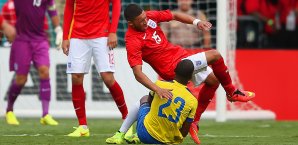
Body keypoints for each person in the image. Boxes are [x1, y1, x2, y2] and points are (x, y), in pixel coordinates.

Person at [107, 4, 255, 144]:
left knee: (213, 81)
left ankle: (121, 133)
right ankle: (232, 92)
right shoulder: (132, 40)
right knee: (215, 55)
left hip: (182, 57)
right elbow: (137, 73)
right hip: (174, 68)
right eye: (141, 21)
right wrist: (157, 88)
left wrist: (196, 22)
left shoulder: (150, 17)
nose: (146, 21)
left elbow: (175, 15)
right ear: (131, 23)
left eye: (145, 17)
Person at [62, 0, 129, 137]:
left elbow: (116, 3)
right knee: (76, 77)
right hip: (77, 35)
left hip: (102, 34)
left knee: (108, 78)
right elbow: (69, 7)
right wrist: (65, 37)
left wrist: (113, 31)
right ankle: (82, 126)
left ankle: (127, 120)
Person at [107, 59, 198, 144]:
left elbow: (149, 102)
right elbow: (184, 132)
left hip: (145, 134)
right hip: (169, 141)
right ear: (191, 77)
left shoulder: (160, 84)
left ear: (174, 71)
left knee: (145, 98)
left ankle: (120, 134)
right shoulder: (193, 100)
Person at [5, 0, 62, 126]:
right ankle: (9, 110)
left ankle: (45, 114)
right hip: (22, 40)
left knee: (45, 71)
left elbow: (52, 10)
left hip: (40, 39)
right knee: (21, 79)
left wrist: (58, 30)